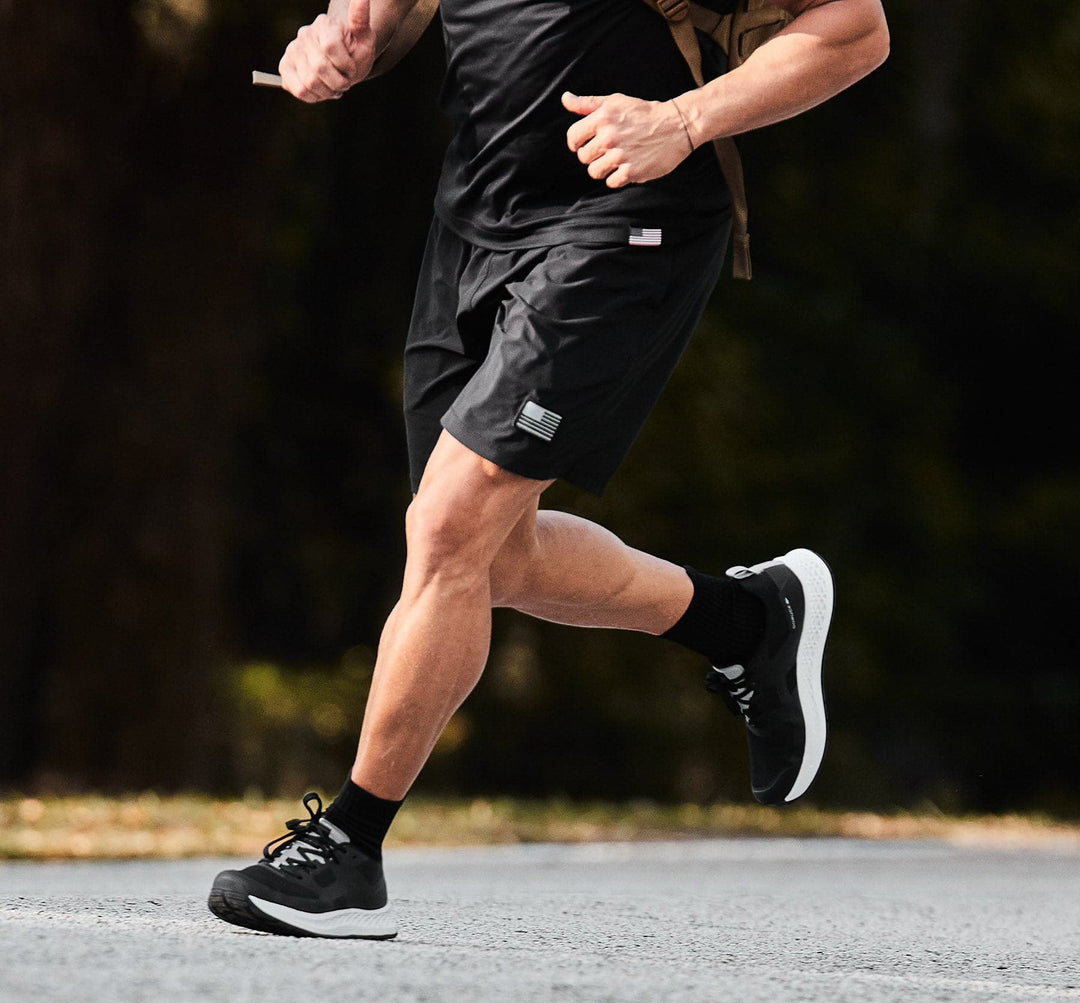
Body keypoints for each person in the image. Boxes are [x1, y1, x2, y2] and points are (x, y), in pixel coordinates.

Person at [208, 0, 889, 939]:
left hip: (623, 222)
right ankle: (748, 619)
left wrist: (684, 121)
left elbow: (858, 29)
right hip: (478, 217)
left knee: (449, 531)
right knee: (488, 559)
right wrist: (348, 40)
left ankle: (348, 849)